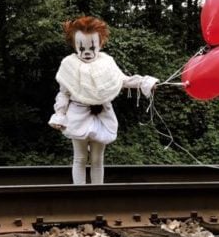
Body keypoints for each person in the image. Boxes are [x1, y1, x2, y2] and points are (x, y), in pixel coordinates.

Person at [49, 16, 158, 184]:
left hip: (102, 114)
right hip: (78, 115)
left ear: (100, 44)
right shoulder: (68, 64)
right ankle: (80, 195)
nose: (87, 52)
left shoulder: (107, 62)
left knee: (98, 159)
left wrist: (145, 82)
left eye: (92, 47)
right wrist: (60, 113)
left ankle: (97, 195)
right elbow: (63, 93)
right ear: (74, 45)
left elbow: (122, 80)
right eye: (81, 47)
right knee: (79, 158)